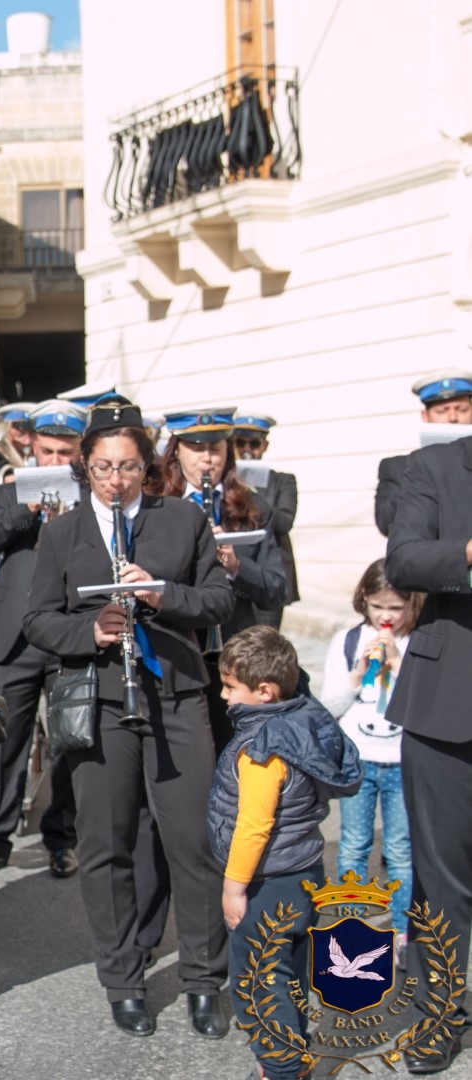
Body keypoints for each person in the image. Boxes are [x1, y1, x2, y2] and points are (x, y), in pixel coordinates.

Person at [23, 396, 234, 1039]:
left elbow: (219, 598)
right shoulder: (62, 532)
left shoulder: (182, 521)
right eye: (105, 469)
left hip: (174, 694)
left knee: (191, 842)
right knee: (107, 843)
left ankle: (203, 979)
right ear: (85, 468)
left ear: (149, 467)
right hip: (103, 699)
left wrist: (160, 594)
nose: (117, 481)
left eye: (130, 468)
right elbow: (36, 620)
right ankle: (123, 979)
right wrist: (92, 628)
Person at [212, 627, 360, 1080]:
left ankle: (281, 1068)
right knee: (289, 973)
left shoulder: (261, 751)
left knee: (258, 982)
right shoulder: (303, 719)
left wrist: (234, 888)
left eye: (230, 686)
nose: (222, 695)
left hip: (266, 881)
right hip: (304, 873)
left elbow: (253, 827)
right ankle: (292, 1060)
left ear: (263, 691)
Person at [0, 400, 86, 881]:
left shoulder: (90, 486)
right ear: (30, 444)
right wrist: (27, 508)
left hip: (67, 629)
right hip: (11, 630)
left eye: (65, 451)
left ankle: (61, 838)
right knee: (3, 743)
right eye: (47, 450)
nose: (55, 461)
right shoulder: (2, 485)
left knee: (67, 740)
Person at [383, 428, 472, 1074]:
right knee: (442, 878)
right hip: (449, 703)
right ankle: (438, 1016)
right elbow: (404, 559)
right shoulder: (435, 467)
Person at [156, 406, 288, 750]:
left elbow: (276, 588)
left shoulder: (252, 507)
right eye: (196, 449)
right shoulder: (157, 506)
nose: (207, 460)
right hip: (175, 647)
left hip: (234, 652)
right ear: (177, 452)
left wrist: (234, 566)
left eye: (215, 449)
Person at [320, 559, 420, 950]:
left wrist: (398, 664)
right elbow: (329, 706)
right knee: (354, 844)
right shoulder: (347, 641)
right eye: (379, 607)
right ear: (364, 601)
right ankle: (351, 926)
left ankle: (401, 930)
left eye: (396, 608)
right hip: (358, 759)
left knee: (399, 848)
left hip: (401, 758)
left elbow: (421, 705)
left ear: (413, 605)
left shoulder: (418, 643)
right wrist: (357, 674)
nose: (386, 617)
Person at [376, 370, 472, 536]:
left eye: (461, 409)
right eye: (442, 411)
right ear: (425, 416)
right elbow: (387, 523)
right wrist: (419, 469)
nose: (453, 418)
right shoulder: (399, 467)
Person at [232, 414, 300, 626]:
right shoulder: (225, 485)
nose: (247, 449)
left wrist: (252, 493)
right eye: (240, 442)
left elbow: (284, 523)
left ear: (265, 445)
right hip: (236, 574)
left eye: (254, 443)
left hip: (268, 576)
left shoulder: (282, 481)